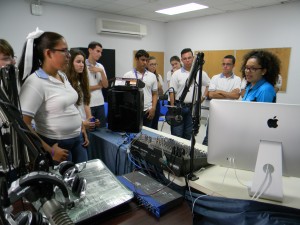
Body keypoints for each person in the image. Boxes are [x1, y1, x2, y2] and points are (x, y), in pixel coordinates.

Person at [18, 29, 88, 163]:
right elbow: (24, 124)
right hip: (56, 144)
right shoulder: (35, 82)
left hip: (78, 139)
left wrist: (81, 126)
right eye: (64, 50)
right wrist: (49, 150)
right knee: (64, 183)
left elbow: (69, 106)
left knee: (82, 178)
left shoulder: (62, 75)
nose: (69, 55)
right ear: (49, 53)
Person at [169, 48, 210, 140]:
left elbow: (209, 85)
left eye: (189, 58)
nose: (187, 60)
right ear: (181, 60)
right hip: (179, 107)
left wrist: (203, 97)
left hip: (193, 108)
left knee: (188, 134)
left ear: (193, 58)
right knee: (177, 134)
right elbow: (172, 92)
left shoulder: (201, 73)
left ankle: (185, 154)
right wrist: (173, 109)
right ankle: (176, 154)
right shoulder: (176, 74)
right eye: (185, 58)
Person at [202, 55, 241, 145]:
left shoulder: (237, 79)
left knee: (226, 140)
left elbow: (236, 96)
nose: (225, 66)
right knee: (208, 140)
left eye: (228, 64)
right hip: (214, 115)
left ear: (233, 65)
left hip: (230, 115)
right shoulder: (215, 78)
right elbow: (211, 94)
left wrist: (219, 92)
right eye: (223, 64)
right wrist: (229, 94)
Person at [66, 49, 100, 134]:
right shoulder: (66, 83)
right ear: (70, 63)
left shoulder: (81, 81)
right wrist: (82, 124)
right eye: (78, 62)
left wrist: (91, 120)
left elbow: (85, 103)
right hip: (73, 128)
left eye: (82, 62)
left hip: (83, 126)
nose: (81, 65)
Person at [123, 49, 158, 128]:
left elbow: (155, 94)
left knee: (146, 136)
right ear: (136, 59)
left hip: (147, 112)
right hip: (132, 111)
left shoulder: (152, 76)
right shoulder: (128, 75)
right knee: (132, 135)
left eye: (146, 60)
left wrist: (153, 108)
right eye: (142, 60)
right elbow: (124, 95)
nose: (145, 62)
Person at [86, 41, 108, 128]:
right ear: (90, 50)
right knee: (90, 130)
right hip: (88, 105)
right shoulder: (82, 65)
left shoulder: (101, 66)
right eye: (98, 51)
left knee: (101, 129)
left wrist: (101, 71)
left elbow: (106, 85)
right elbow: (84, 88)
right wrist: (99, 86)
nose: (100, 54)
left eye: (101, 52)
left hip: (100, 103)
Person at [147, 56, 163, 130]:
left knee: (155, 125)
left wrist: (159, 87)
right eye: (151, 64)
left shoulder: (158, 76)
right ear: (147, 64)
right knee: (148, 124)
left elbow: (161, 93)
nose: (153, 66)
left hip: (156, 102)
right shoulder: (145, 76)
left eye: (155, 64)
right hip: (148, 103)